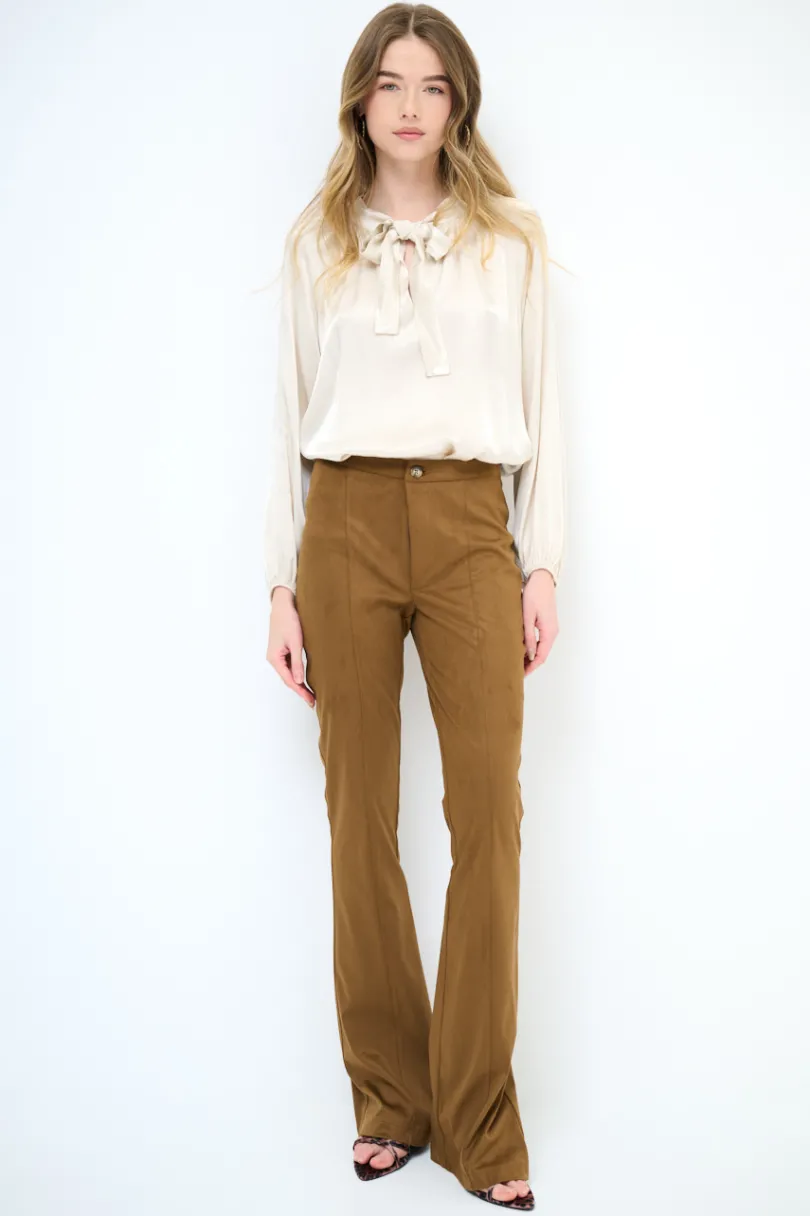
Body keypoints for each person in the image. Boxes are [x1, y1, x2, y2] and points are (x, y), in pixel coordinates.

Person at [263, 5, 566, 1210]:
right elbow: (280, 417)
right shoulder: (317, 242)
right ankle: (390, 1097)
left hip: (469, 521)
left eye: (431, 86)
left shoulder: (511, 243)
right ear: (361, 99)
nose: (408, 105)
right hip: (341, 521)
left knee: (489, 808)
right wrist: (278, 582)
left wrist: (542, 563)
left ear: (458, 105)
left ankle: (481, 1119)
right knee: (359, 815)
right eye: (389, 83)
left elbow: (548, 406)